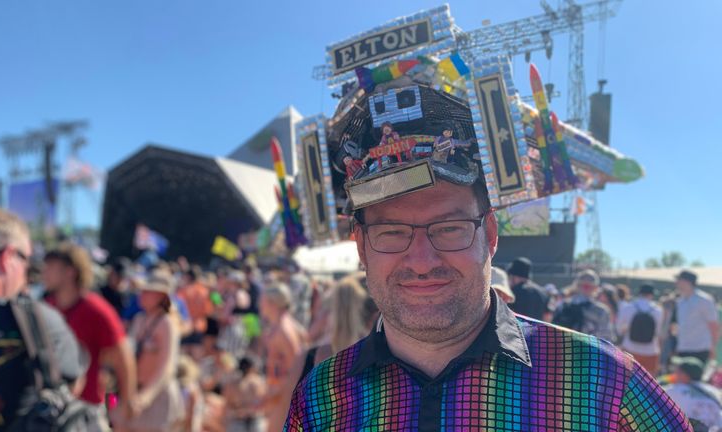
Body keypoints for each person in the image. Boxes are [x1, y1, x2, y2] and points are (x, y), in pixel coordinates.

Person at [285, 72, 689, 430]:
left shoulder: (605, 383)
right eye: (391, 232)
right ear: (361, 246)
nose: (422, 261)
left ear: (490, 234)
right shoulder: (322, 398)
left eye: (449, 228)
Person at [0, 208, 84, 430]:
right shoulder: (41, 324)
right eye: (27, 261)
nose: (28, 273)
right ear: (8, 257)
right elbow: (71, 390)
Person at [42, 242, 137, 428]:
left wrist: (124, 404)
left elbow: (123, 358)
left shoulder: (97, 310)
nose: (44, 272)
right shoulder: (46, 306)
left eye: (50, 267)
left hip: (86, 408)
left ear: (70, 272)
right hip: (51, 407)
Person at [113, 269, 185, 432]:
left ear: (160, 296)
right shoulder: (139, 320)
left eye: (147, 292)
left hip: (155, 397)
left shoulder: (167, 324)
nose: (142, 295)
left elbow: (167, 367)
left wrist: (146, 397)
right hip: (132, 393)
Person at [260, 283, 306, 432]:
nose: (260, 304)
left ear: (272, 303)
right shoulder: (282, 325)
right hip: (279, 392)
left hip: (284, 395)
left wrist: (276, 393)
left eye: (263, 300)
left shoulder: (284, 330)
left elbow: (297, 368)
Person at [552, 269, 616, 342]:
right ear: (596, 288)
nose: (586, 288)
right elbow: (607, 340)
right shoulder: (601, 311)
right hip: (587, 351)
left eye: (587, 286)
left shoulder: (562, 305)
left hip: (564, 349)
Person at [663, 357, 722, 430]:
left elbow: (654, 394)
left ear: (685, 376)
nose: (674, 374)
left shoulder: (676, 390)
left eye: (678, 371)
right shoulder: (714, 390)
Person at [674, 269, 720, 364]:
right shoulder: (680, 301)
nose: (676, 283)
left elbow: (714, 325)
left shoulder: (704, 300)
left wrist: (713, 347)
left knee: (696, 378)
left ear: (687, 282)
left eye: (679, 280)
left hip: (700, 349)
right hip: (683, 348)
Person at [617, 284, 664, 375]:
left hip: (629, 349)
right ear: (651, 295)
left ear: (639, 293)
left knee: (626, 380)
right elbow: (658, 332)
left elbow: (619, 329)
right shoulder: (658, 310)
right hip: (651, 351)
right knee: (648, 384)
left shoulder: (628, 307)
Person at [223, 357, 267, 432]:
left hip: (251, 421)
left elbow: (262, 403)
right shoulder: (257, 382)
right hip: (239, 422)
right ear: (251, 368)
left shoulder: (256, 382)